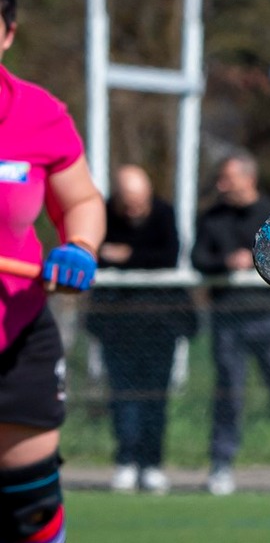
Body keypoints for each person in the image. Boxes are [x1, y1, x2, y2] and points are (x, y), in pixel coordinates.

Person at [0, 0, 108, 543]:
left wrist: (80, 245)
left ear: (6, 30)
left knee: (31, 496)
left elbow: (83, 200)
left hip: (20, 328)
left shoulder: (38, 114)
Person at [192, 151, 270, 495]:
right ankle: (221, 465)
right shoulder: (212, 217)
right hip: (228, 319)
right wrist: (226, 261)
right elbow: (198, 257)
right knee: (228, 394)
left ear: (249, 178)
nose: (221, 185)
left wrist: (259, 259)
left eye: (227, 178)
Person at [86, 164, 193, 493]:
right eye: (128, 203)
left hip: (159, 325)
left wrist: (127, 255)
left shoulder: (163, 214)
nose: (134, 210)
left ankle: (153, 462)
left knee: (155, 398)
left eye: (140, 203)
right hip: (117, 326)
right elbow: (96, 255)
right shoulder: (102, 215)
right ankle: (126, 460)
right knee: (122, 397)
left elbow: (168, 255)